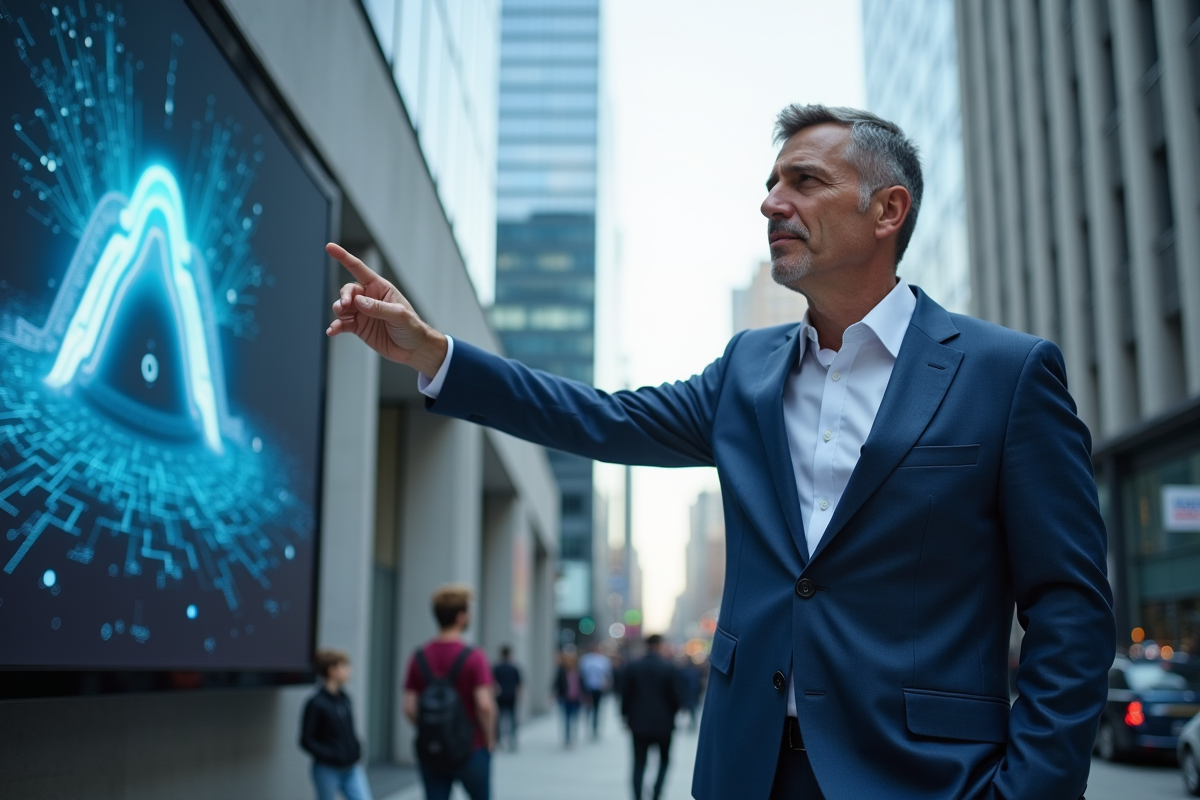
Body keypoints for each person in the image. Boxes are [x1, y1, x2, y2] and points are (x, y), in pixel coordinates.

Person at [325, 103, 1115, 800]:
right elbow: (600, 418)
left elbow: (1071, 608)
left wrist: (1031, 788)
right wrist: (436, 357)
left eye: (804, 182)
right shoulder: (747, 369)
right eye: (773, 184)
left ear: (888, 211)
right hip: (748, 768)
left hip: (925, 777)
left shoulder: (1005, 374)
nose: (772, 203)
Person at [402, 585, 495, 800]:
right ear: (461, 617)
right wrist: (489, 739)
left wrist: (431, 729)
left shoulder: (419, 656)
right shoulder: (475, 656)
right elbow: (485, 705)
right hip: (472, 747)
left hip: (432, 749)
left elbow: (408, 707)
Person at [300, 648, 374, 800]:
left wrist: (356, 748)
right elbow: (306, 740)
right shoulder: (316, 703)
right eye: (345, 666)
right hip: (327, 769)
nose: (349, 670)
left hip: (351, 766)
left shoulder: (344, 698)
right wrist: (331, 754)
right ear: (332, 670)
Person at [621, 635, 683, 800]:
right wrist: (673, 713)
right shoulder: (668, 668)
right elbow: (676, 698)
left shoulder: (633, 666)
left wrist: (625, 717)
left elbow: (625, 695)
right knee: (664, 761)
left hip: (638, 724)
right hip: (664, 724)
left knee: (639, 763)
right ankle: (656, 793)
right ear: (659, 645)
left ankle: (637, 796)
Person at [491, 644, 522, 751]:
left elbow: (492, 682)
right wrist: (519, 696)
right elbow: (519, 684)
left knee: (498, 719)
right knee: (512, 719)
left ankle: (499, 740)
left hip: (499, 696)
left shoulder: (496, 667)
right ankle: (512, 741)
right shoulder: (514, 668)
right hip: (511, 696)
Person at [579, 645, 613, 739]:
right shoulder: (586, 659)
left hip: (599, 688)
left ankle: (595, 728)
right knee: (588, 708)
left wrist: (607, 685)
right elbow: (581, 674)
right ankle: (588, 727)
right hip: (588, 688)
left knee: (597, 709)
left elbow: (608, 674)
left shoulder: (604, 660)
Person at [552, 650, 583, 747]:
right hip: (565, 698)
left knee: (574, 717)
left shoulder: (578, 671)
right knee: (566, 718)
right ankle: (567, 737)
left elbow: (582, 684)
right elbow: (556, 683)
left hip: (576, 698)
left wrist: (585, 695)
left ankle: (573, 735)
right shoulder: (562, 671)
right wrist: (553, 694)